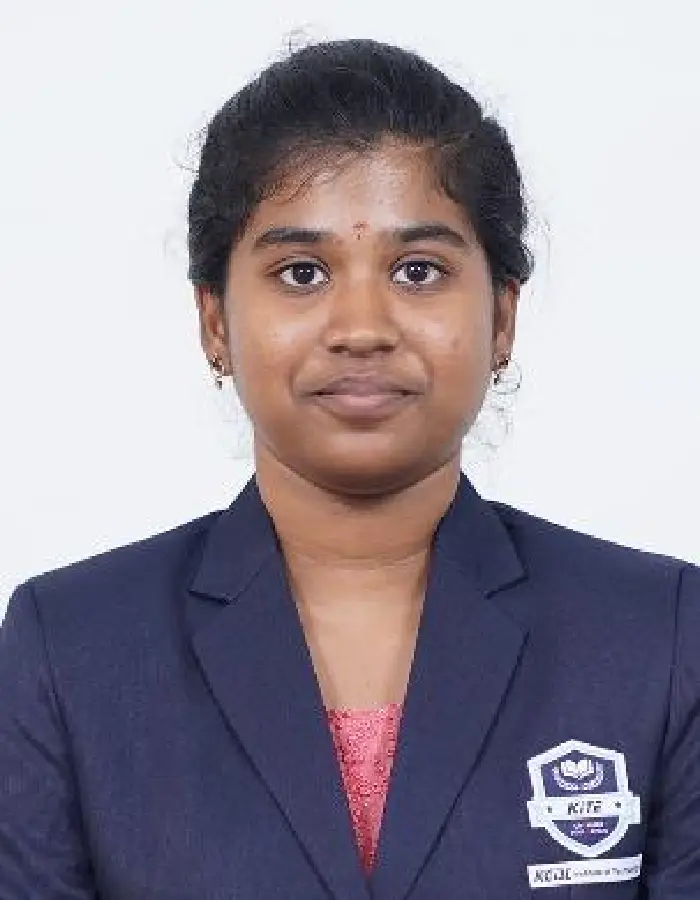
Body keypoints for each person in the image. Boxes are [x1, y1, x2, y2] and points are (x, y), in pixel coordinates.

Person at [0, 37, 698, 900]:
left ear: (502, 318)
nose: (362, 327)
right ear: (215, 321)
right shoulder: (71, 651)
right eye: (301, 273)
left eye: (418, 270)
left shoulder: (661, 637)